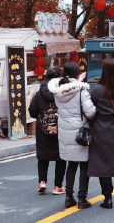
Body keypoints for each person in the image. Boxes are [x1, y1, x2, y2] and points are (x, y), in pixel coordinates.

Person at [48, 62, 96, 209]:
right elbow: (90, 112)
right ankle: (82, 198)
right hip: (80, 133)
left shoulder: (58, 92)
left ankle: (69, 197)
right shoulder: (82, 91)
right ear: (77, 74)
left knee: (71, 164)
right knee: (84, 165)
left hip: (64, 132)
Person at [88, 58, 114, 209]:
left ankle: (108, 199)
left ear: (104, 71)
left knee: (103, 164)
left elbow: (90, 108)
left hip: (101, 129)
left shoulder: (98, 90)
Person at [28, 67, 66, 195]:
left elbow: (32, 110)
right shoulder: (62, 92)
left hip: (42, 129)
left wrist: (41, 116)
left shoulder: (39, 93)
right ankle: (57, 187)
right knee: (60, 157)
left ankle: (42, 182)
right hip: (60, 127)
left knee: (43, 156)